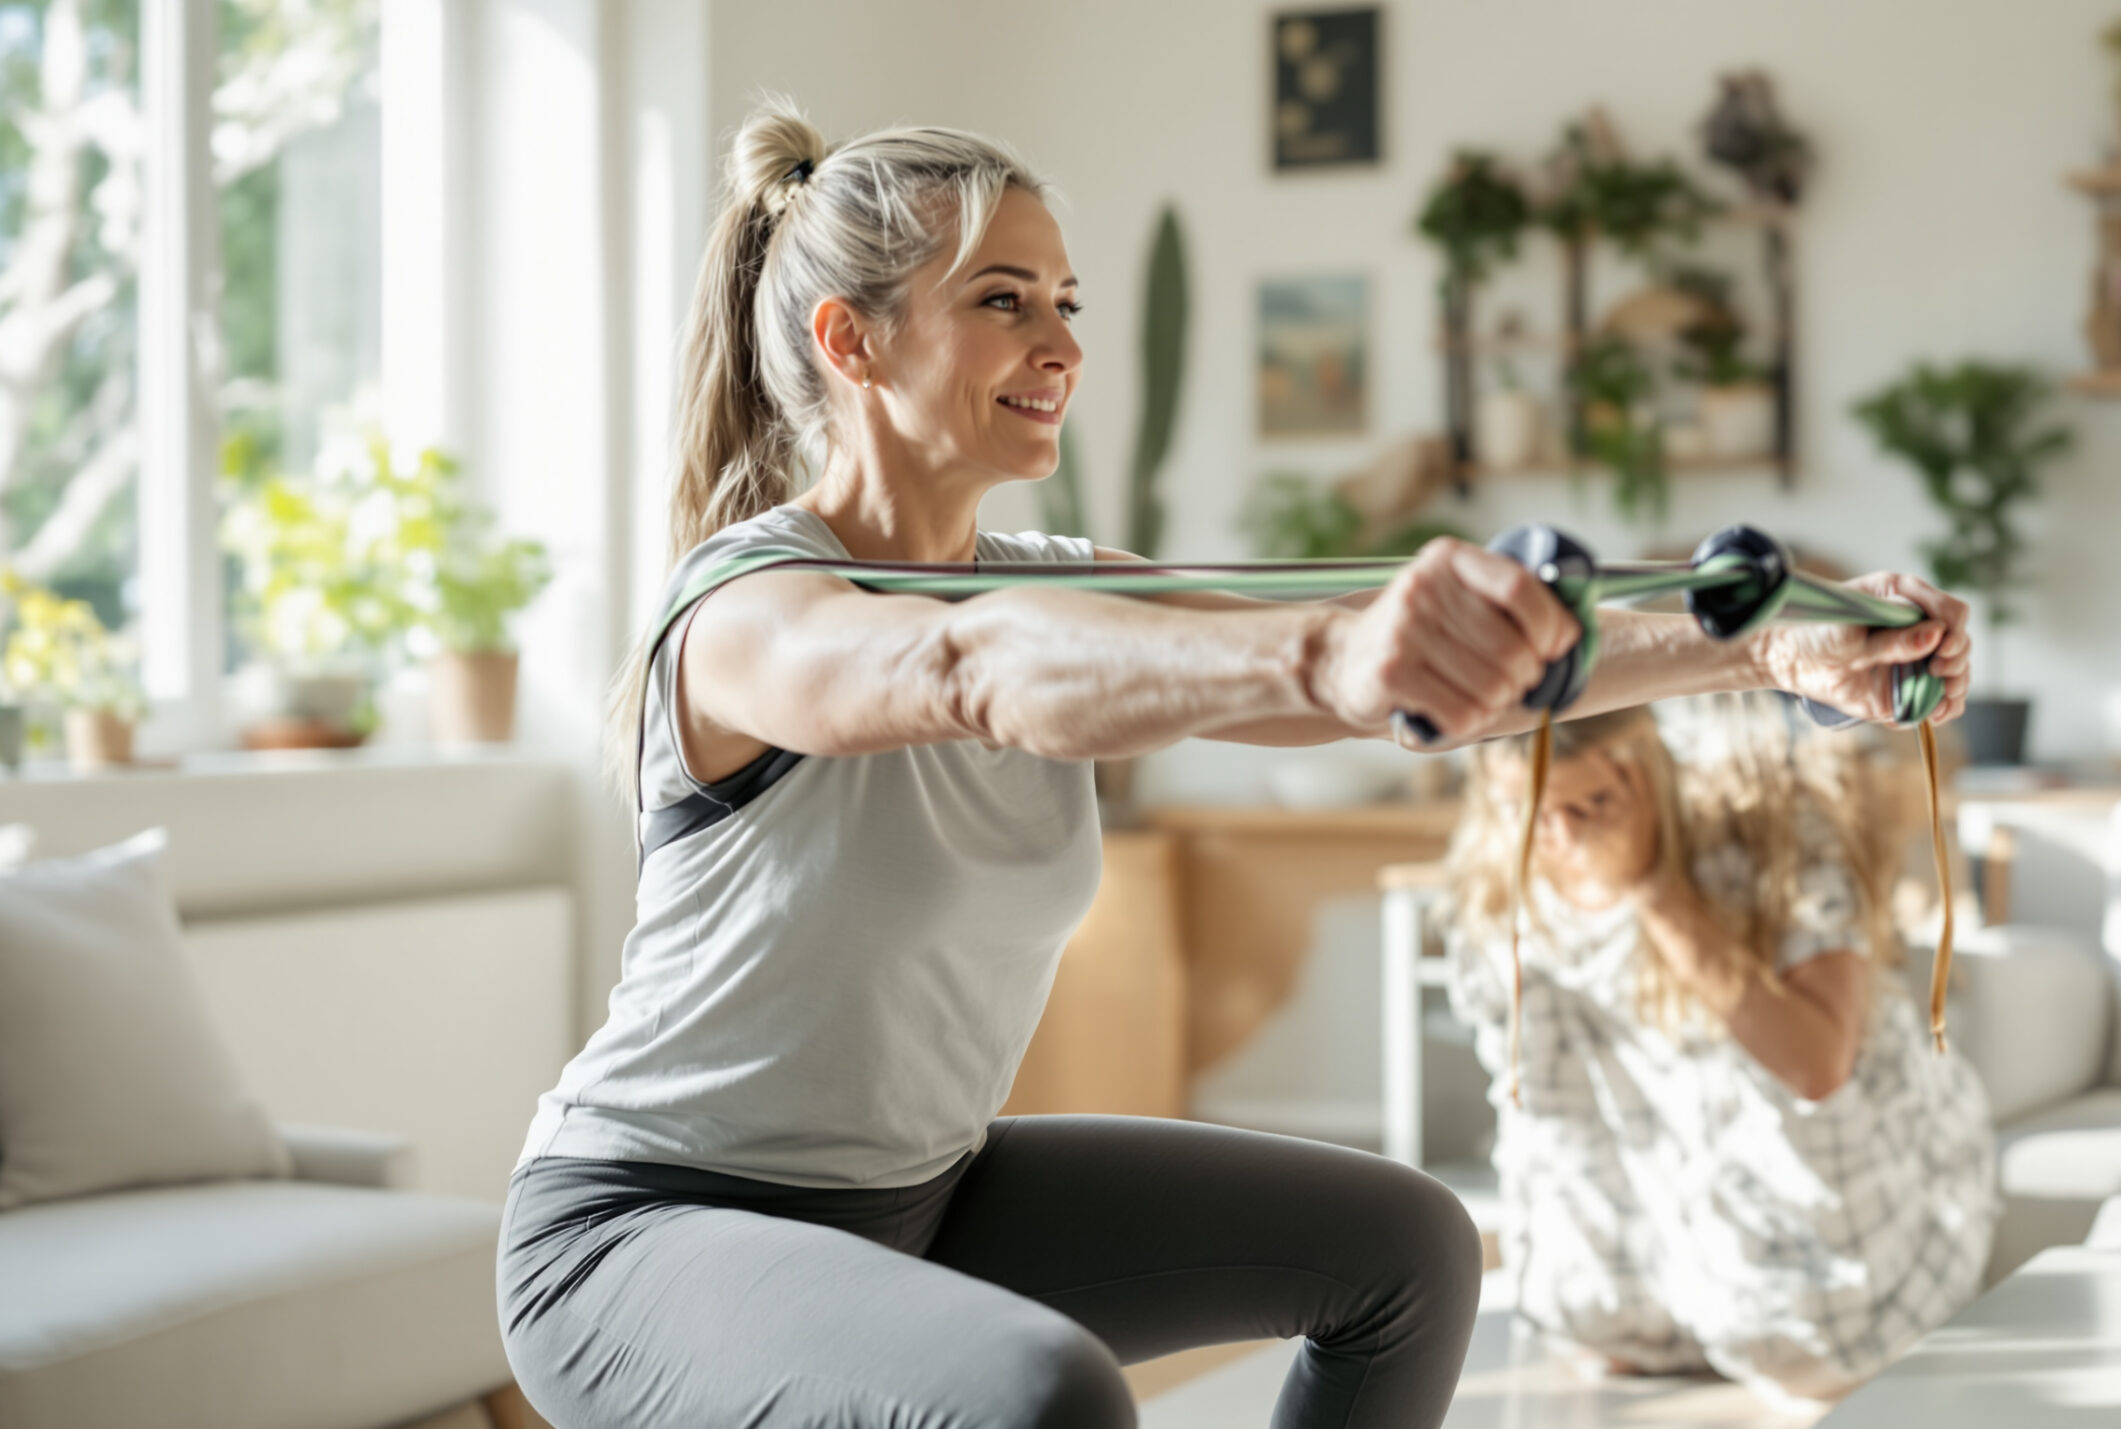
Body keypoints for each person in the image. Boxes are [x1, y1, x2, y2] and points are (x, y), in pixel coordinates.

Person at [495, 99, 1975, 1429]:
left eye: (1067, 301)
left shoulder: (1061, 574)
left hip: (923, 1197)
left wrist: (1770, 652)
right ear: (852, 341)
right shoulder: (746, 607)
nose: (1060, 342)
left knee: (1409, 1253)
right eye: (1002, 301)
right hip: (643, 1228)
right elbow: (968, 670)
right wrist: (1334, 660)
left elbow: (1428, 681)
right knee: (1042, 1395)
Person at [1441, 697, 2000, 1410]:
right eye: (1532, 813)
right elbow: (1538, 1111)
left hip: (1828, 1169)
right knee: (1598, 1335)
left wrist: (1653, 889)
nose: (1561, 836)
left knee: (1813, 1358)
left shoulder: (1777, 842)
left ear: (1647, 771)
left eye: (1592, 804)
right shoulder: (1504, 877)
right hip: (1643, 1215)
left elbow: (1817, 1066)